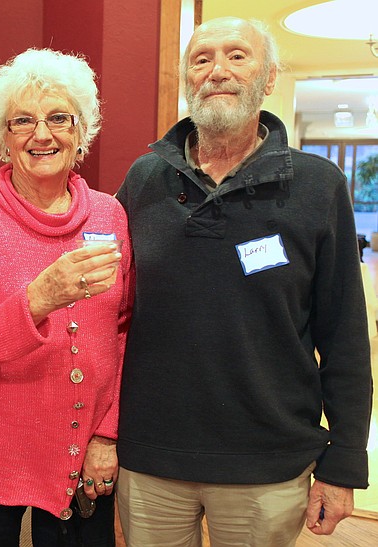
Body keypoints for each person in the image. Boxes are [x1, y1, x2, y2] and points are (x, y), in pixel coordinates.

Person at [115, 17, 373, 546]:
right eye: (201, 58)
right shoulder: (143, 180)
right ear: (188, 77)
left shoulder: (319, 187)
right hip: (151, 460)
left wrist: (345, 461)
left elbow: (345, 336)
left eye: (237, 55)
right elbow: (105, 309)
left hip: (269, 464)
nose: (217, 71)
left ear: (269, 76)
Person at [0, 48, 134, 546]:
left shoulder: (110, 216)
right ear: (3, 138)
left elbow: (125, 332)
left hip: (81, 445)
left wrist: (108, 433)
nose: (42, 134)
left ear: (81, 132)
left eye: (59, 118)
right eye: (23, 121)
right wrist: (39, 299)